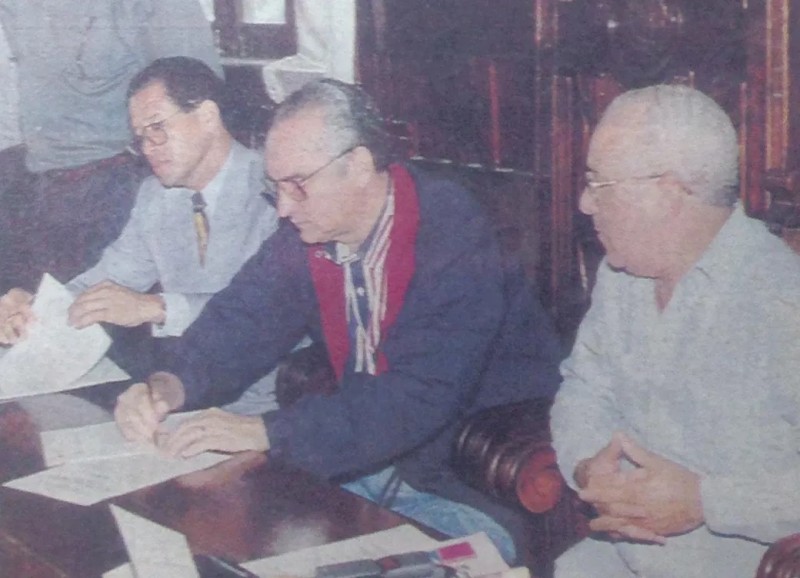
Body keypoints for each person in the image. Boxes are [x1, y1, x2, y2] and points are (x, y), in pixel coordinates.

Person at [114, 79, 564, 563]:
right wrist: (168, 385)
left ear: (358, 164)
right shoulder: (310, 232)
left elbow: (417, 394)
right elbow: (242, 318)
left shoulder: (449, 230)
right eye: (274, 188)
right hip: (361, 470)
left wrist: (267, 432)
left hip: (466, 488)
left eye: (297, 185)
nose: (283, 208)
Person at [550, 84, 800, 578]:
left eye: (599, 184)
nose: (584, 203)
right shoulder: (621, 276)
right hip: (607, 562)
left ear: (666, 192)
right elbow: (583, 389)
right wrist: (588, 465)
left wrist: (706, 501)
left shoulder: (782, 303)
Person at [0, 56, 280, 417]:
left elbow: (271, 314)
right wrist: (36, 308)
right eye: (140, 138)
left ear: (208, 116)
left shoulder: (275, 188)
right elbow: (106, 282)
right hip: (181, 398)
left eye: (157, 128)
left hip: (265, 405)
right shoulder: (156, 196)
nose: (148, 148)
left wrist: (156, 307)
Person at [0, 0, 222, 294]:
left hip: (117, 189)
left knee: (105, 311)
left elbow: (198, 94)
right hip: (27, 187)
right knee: (34, 311)